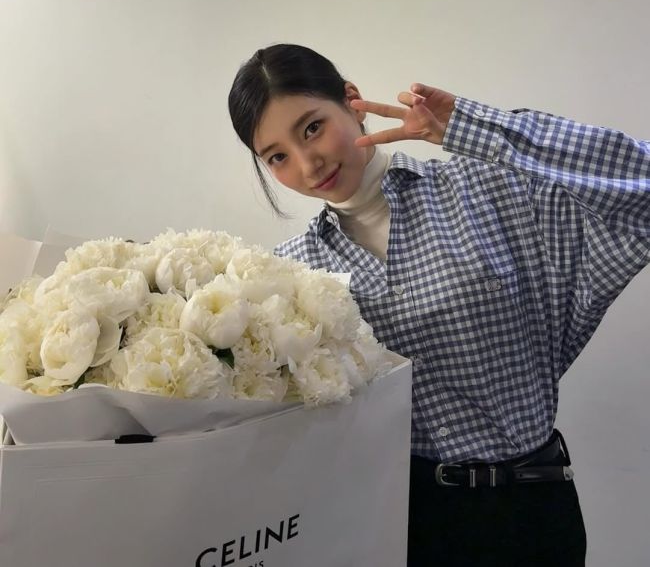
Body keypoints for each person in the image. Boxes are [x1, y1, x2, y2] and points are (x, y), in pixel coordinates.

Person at [228, 43, 650, 567]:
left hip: (528, 512)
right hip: (396, 527)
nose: (307, 163)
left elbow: (642, 192)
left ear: (352, 100)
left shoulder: (491, 192)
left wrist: (474, 129)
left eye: (312, 128)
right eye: (277, 157)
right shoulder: (290, 274)